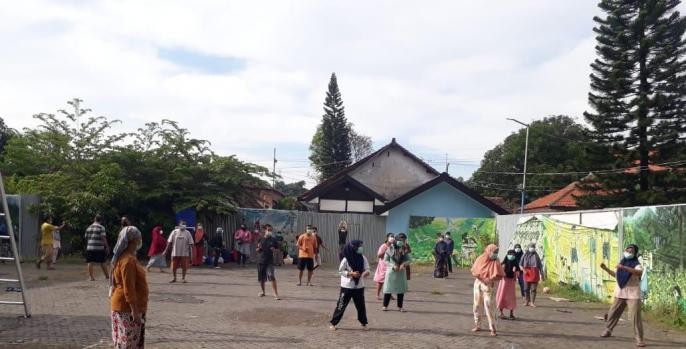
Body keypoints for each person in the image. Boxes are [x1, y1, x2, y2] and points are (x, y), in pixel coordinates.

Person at [109, 216, 148, 349]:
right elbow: (129, 288)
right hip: (127, 309)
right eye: (139, 237)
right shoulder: (128, 261)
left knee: (126, 343)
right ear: (134, 240)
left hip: (124, 307)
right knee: (128, 344)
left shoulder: (127, 258)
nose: (140, 240)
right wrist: (134, 311)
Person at [600, 244, 645, 347]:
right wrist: (605, 268)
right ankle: (608, 330)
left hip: (633, 294)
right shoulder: (622, 262)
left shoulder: (636, 263)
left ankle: (639, 338)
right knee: (612, 313)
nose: (628, 253)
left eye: (631, 251)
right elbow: (616, 274)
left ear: (635, 254)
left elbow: (639, 272)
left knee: (635, 317)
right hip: (620, 292)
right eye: (627, 250)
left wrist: (625, 268)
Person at [330, 240, 370, 331]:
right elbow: (340, 271)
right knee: (341, 305)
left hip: (359, 286)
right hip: (347, 286)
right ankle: (334, 323)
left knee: (361, 306)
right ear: (353, 248)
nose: (361, 248)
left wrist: (365, 274)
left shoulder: (363, 258)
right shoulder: (346, 259)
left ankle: (363, 323)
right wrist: (351, 274)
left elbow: (367, 269)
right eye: (359, 246)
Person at [471, 244, 505, 337]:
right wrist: (483, 279)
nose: (495, 254)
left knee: (490, 307)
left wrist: (490, 280)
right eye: (494, 252)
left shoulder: (496, 261)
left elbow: (500, 275)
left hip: (490, 287)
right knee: (477, 305)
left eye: (497, 252)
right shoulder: (480, 259)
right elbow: (474, 271)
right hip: (479, 285)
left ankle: (493, 328)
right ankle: (477, 325)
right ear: (488, 251)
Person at [382, 234, 411, 312]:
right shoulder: (389, 249)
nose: (402, 242)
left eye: (403, 240)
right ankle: (385, 306)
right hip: (391, 271)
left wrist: (404, 264)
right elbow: (385, 260)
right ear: (396, 240)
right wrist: (392, 265)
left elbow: (409, 260)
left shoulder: (404, 249)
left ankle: (400, 307)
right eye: (400, 240)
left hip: (401, 272)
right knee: (388, 289)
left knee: (400, 290)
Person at [256, 224, 280, 300]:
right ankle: (263, 292)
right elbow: (257, 250)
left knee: (271, 276)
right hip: (261, 261)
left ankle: (276, 294)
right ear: (265, 230)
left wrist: (274, 250)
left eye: (271, 230)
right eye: (268, 230)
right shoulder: (260, 239)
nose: (270, 231)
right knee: (262, 278)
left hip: (269, 261)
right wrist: (258, 249)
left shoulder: (274, 240)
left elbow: (278, 250)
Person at [496, 249, 520, 320]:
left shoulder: (516, 264)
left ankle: (511, 314)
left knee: (511, 298)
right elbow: (498, 271)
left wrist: (515, 271)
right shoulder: (503, 264)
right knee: (502, 296)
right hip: (504, 282)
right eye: (510, 254)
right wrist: (502, 269)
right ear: (507, 255)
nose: (511, 256)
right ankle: (501, 313)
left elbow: (518, 275)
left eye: (513, 254)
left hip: (511, 282)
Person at [85, 215, 110, 281]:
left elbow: (86, 237)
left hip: (90, 247)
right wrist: (107, 246)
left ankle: (91, 277)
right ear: (101, 220)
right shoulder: (101, 227)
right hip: (99, 247)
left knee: (90, 262)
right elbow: (103, 238)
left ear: (94, 219)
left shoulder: (89, 227)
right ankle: (107, 276)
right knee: (102, 261)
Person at [520, 243, 545, 307]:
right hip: (527, 273)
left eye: (533, 247)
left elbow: (540, 266)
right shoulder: (524, 255)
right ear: (528, 247)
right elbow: (520, 264)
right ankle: (527, 301)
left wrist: (542, 275)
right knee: (526, 288)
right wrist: (523, 270)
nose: (532, 248)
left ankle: (532, 302)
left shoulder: (536, 255)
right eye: (531, 247)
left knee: (533, 289)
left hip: (535, 274)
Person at [374, 233, 394, 300]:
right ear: (387, 238)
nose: (392, 238)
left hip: (391, 265)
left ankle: (389, 294)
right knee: (380, 281)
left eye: (393, 237)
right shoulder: (383, 246)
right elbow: (379, 255)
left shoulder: (393, 246)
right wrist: (386, 250)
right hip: (383, 265)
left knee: (390, 280)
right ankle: (377, 294)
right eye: (391, 236)